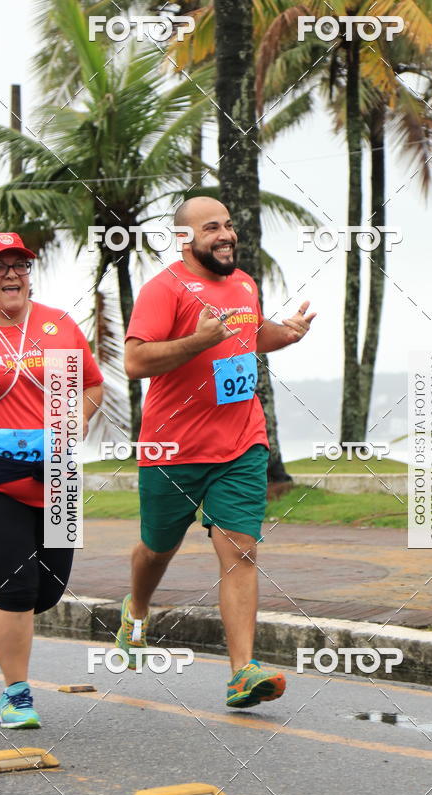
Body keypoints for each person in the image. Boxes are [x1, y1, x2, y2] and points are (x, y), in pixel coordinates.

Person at [118, 196, 315, 707]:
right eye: (212, 228)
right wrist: (197, 341)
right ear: (185, 238)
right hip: (173, 448)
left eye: (229, 224)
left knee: (241, 551)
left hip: (241, 442)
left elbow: (248, 337)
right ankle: (137, 610)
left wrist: (285, 334)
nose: (226, 234)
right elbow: (135, 361)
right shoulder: (163, 290)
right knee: (157, 548)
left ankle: (241, 672)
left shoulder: (245, 283)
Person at [0, 232, 103, 727]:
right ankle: (16, 695)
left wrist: (76, 420)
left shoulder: (58, 325)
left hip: (54, 471)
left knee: (47, 594)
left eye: (20, 264)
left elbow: (92, 383)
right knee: (18, 583)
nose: (12, 274)